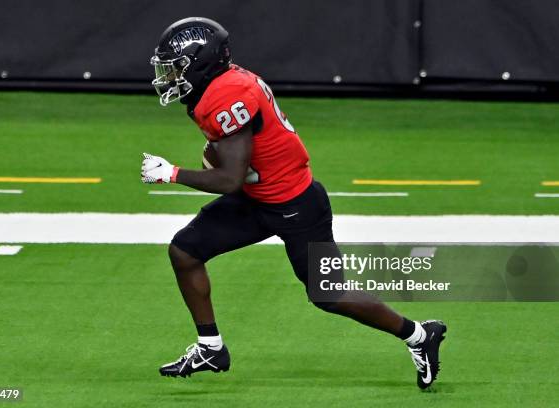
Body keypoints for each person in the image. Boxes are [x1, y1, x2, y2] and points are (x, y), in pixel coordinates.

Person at [141, 17, 446, 389]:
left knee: (328, 293)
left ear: (202, 63)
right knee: (185, 252)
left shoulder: (227, 95)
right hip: (257, 199)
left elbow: (228, 179)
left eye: (177, 68)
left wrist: (171, 173)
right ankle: (211, 347)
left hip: (295, 204)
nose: (170, 76)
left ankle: (419, 335)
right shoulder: (220, 84)